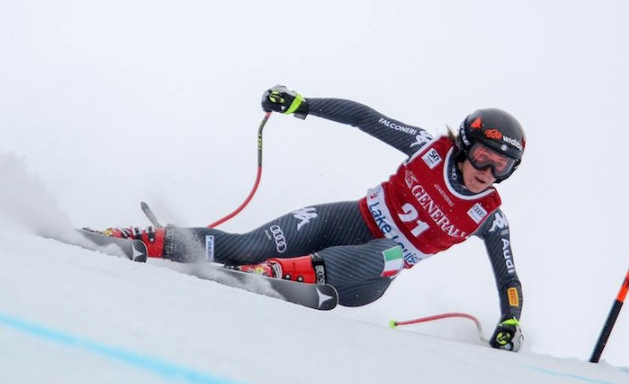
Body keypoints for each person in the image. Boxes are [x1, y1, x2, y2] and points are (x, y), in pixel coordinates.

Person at [104, 85, 526, 352]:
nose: (486, 174)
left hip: (367, 278)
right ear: (464, 146)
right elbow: (365, 117)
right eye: (483, 158)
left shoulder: (489, 216)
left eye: (501, 168)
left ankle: (270, 273)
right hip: (353, 219)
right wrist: (303, 105)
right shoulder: (426, 148)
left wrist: (510, 321)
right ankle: (142, 239)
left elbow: (509, 281)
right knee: (247, 246)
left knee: (396, 252)